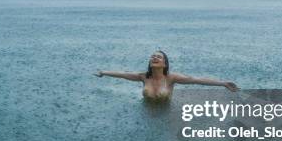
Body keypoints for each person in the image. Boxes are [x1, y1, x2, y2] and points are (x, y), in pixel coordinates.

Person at [94, 50, 239, 100]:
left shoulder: (171, 78)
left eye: (158, 57)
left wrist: (223, 83)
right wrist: (103, 72)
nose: (154, 58)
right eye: (152, 57)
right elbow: (122, 74)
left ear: (165, 63)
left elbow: (197, 80)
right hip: (147, 115)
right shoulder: (143, 77)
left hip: (165, 115)